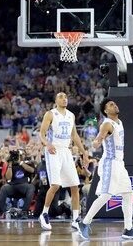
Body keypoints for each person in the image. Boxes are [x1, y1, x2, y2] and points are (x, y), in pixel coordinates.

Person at [78, 98, 133, 241]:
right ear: (106, 111)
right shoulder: (107, 124)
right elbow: (97, 141)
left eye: (114, 103)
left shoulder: (120, 123)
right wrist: (96, 142)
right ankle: (84, 223)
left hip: (120, 164)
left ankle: (128, 229)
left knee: (128, 194)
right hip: (110, 163)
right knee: (106, 195)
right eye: (111, 105)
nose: (115, 105)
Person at [38, 92, 89, 231]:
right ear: (56, 100)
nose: (64, 99)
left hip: (66, 150)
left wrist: (84, 153)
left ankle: (76, 219)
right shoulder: (50, 114)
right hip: (53, 151)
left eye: (66, 97)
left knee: (74, 185)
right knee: (55, 185)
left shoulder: (71, 115)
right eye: (61, 97)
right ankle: (44, 214)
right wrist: (47, 144)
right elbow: (42, 134)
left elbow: (75, 136)